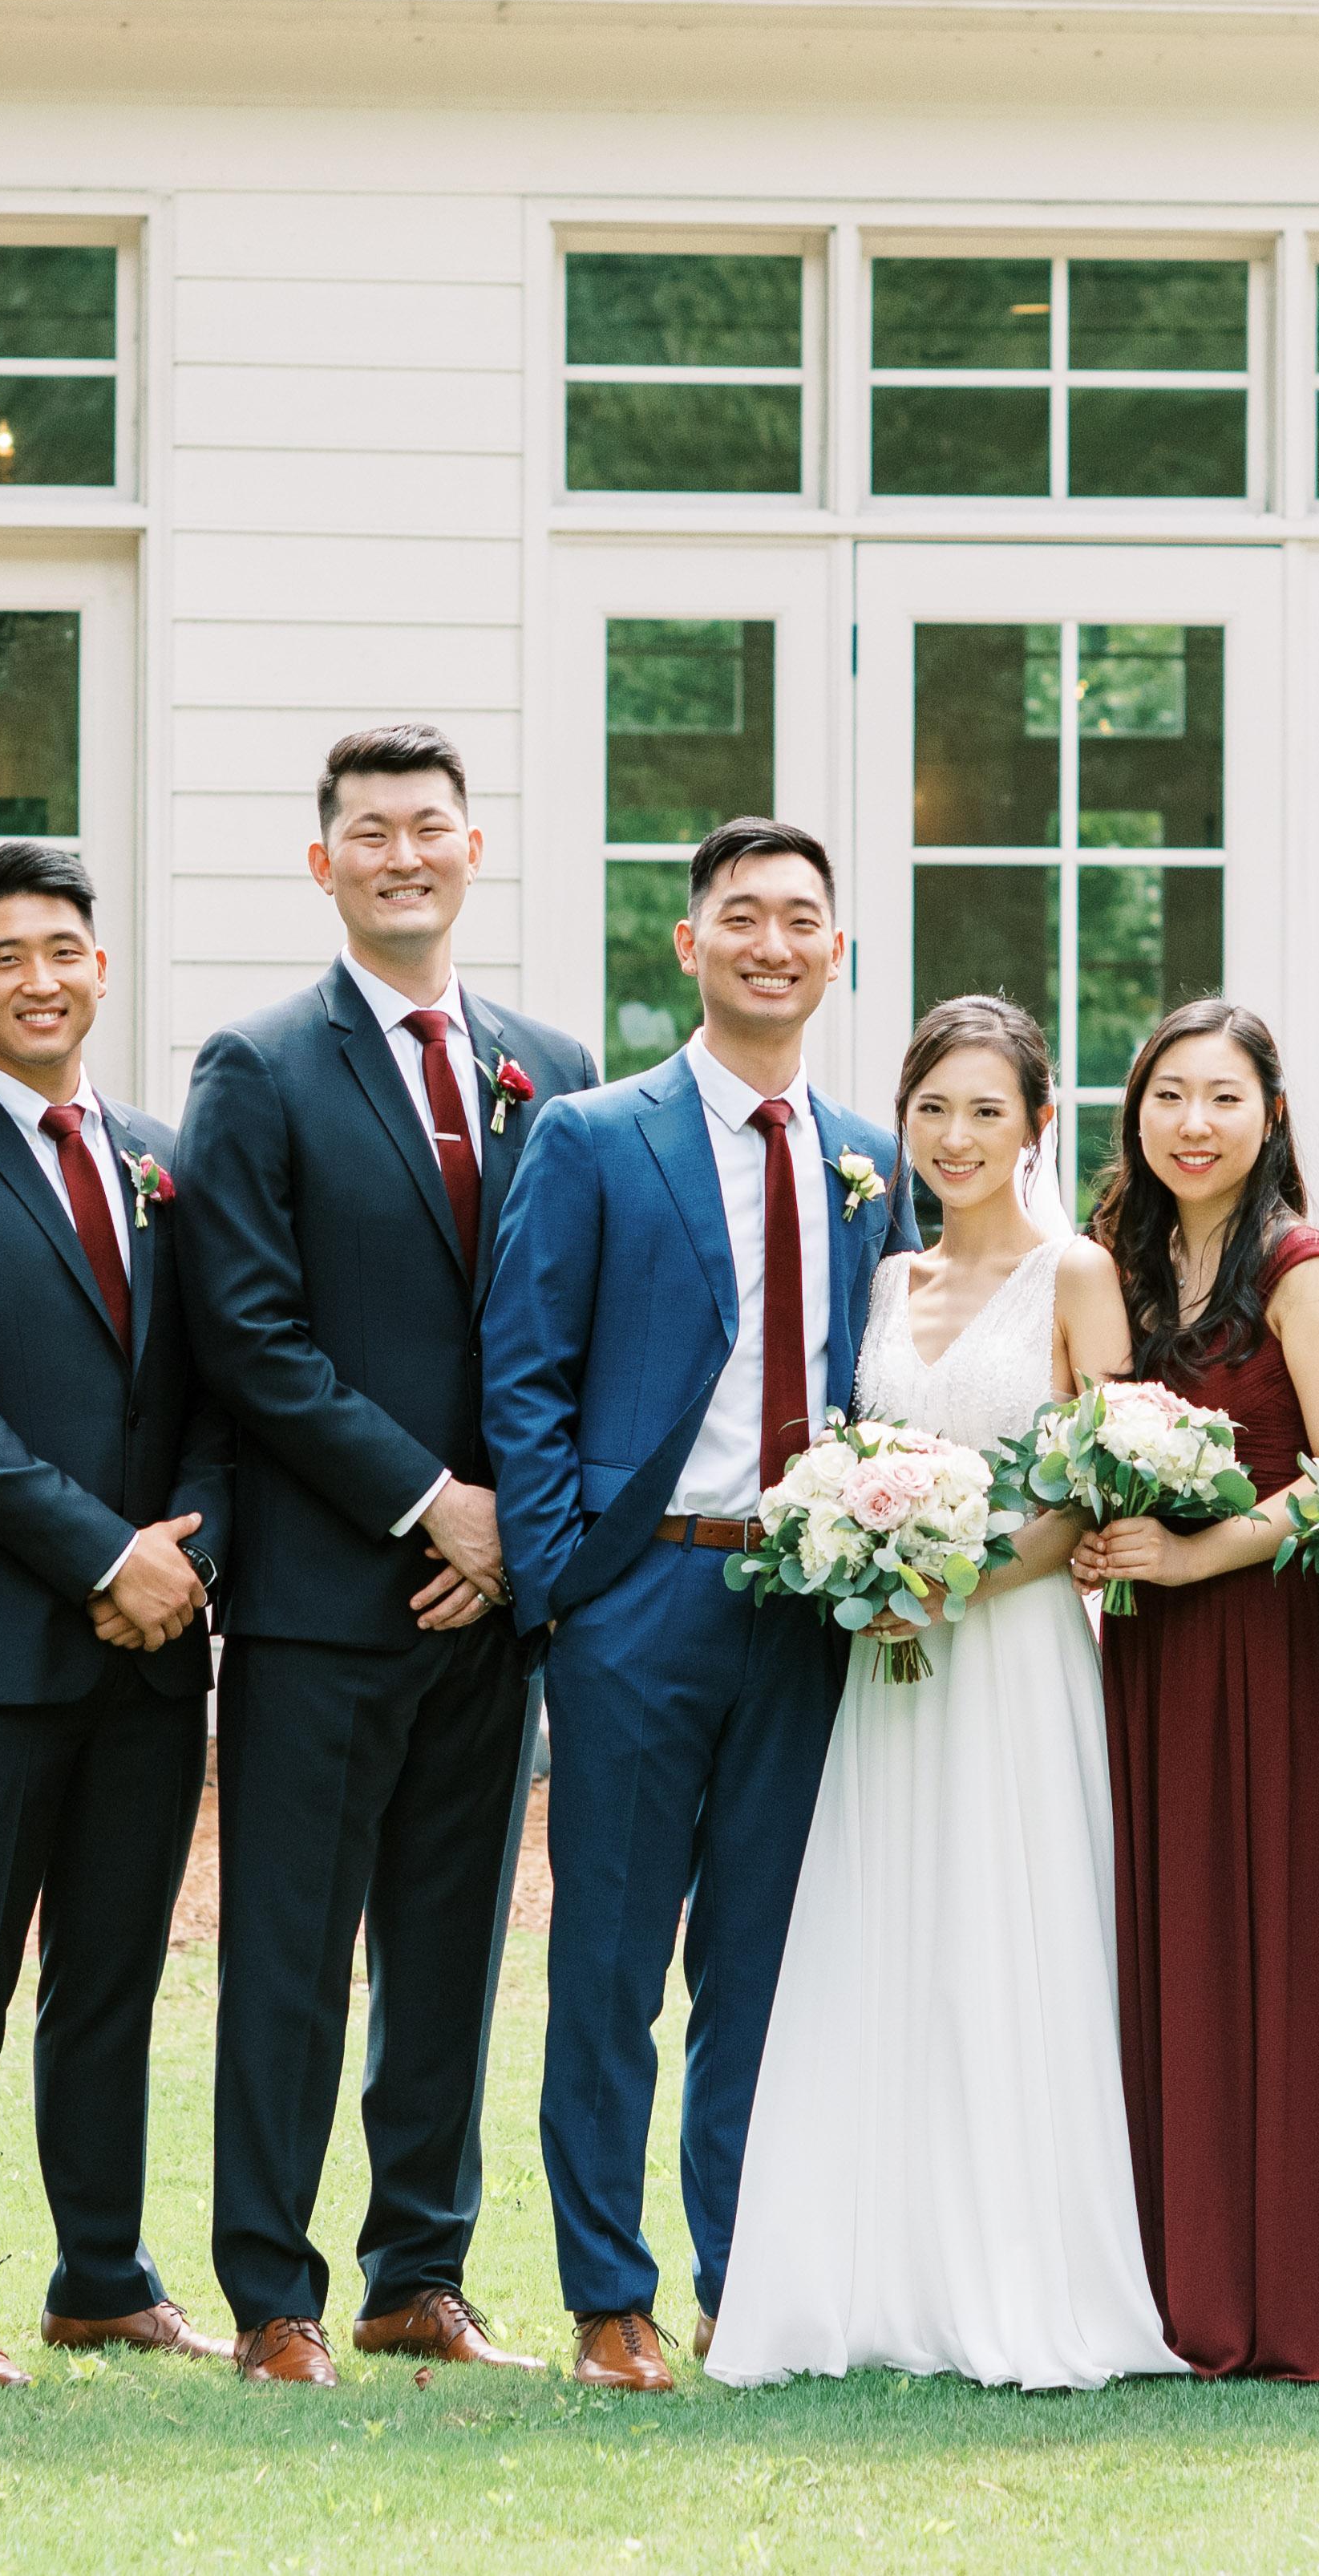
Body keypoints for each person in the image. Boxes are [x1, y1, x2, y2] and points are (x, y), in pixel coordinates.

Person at [182, 726, 594, 2386]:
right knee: (289, 1956)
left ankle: (418, 2271)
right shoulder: (258, 1065)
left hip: (494, 1608)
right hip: (325, 1597)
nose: (403, 854)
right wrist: (434, 1502)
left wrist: (514, 1536)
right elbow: (247, 1333)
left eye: (430, 827)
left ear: (472, 851)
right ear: (325, 863)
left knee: (449, 1953)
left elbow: (571, 1322)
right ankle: (271, 2292)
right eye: (371, 831)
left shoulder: (551, 1066)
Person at [478, 818, 900, 2391]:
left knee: (761, 1964)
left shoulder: (870, 1156)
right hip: (637, 1591)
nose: (771, 943)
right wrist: (560, 1586)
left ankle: (747, 2280)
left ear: (834, 950)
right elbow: (524, 1371)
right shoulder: (595, 1136)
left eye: (800, 919)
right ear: (689, 942)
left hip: (807, 1604)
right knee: (608, 1961)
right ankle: (609, 2294)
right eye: (742, 916)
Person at [711, 996, 1178, 2393]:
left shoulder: (1077, 1273)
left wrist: (954, 1580)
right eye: (932, 1108)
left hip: (1013, 1652)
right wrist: (864, 1560)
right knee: (885, 1934)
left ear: (1038, 1121)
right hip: (888, 1661)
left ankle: (1018, 2277)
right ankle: (876, 2274)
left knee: (1004, 1934)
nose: (956, 1136)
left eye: (986, 1109)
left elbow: (1101, 1480)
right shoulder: (886, 1278)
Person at [0, 838, 233, 2386]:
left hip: (154, 1652)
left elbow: (216, 1388)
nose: (39, 980)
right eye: (5, 957)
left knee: (112, 1980)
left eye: (63, 951)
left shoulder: (162, 1161)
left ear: (101, 969)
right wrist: (103, 1560)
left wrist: (184, 1561)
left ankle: (103, 2276)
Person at [1067, 1001, 1319, 2382]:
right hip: (1145, 1648)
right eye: (1169, 1096)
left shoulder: (1303, 1271)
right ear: (1134, 1113)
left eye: (1225, 1098)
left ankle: (1271, 2281)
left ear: (1273, 1117)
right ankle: (1158, 2268)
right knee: (1159, 1937)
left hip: (1263, 1641)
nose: (1195, 1125)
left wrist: (1200, 1555)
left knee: (1266, 1939)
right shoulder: (1121, 1267)